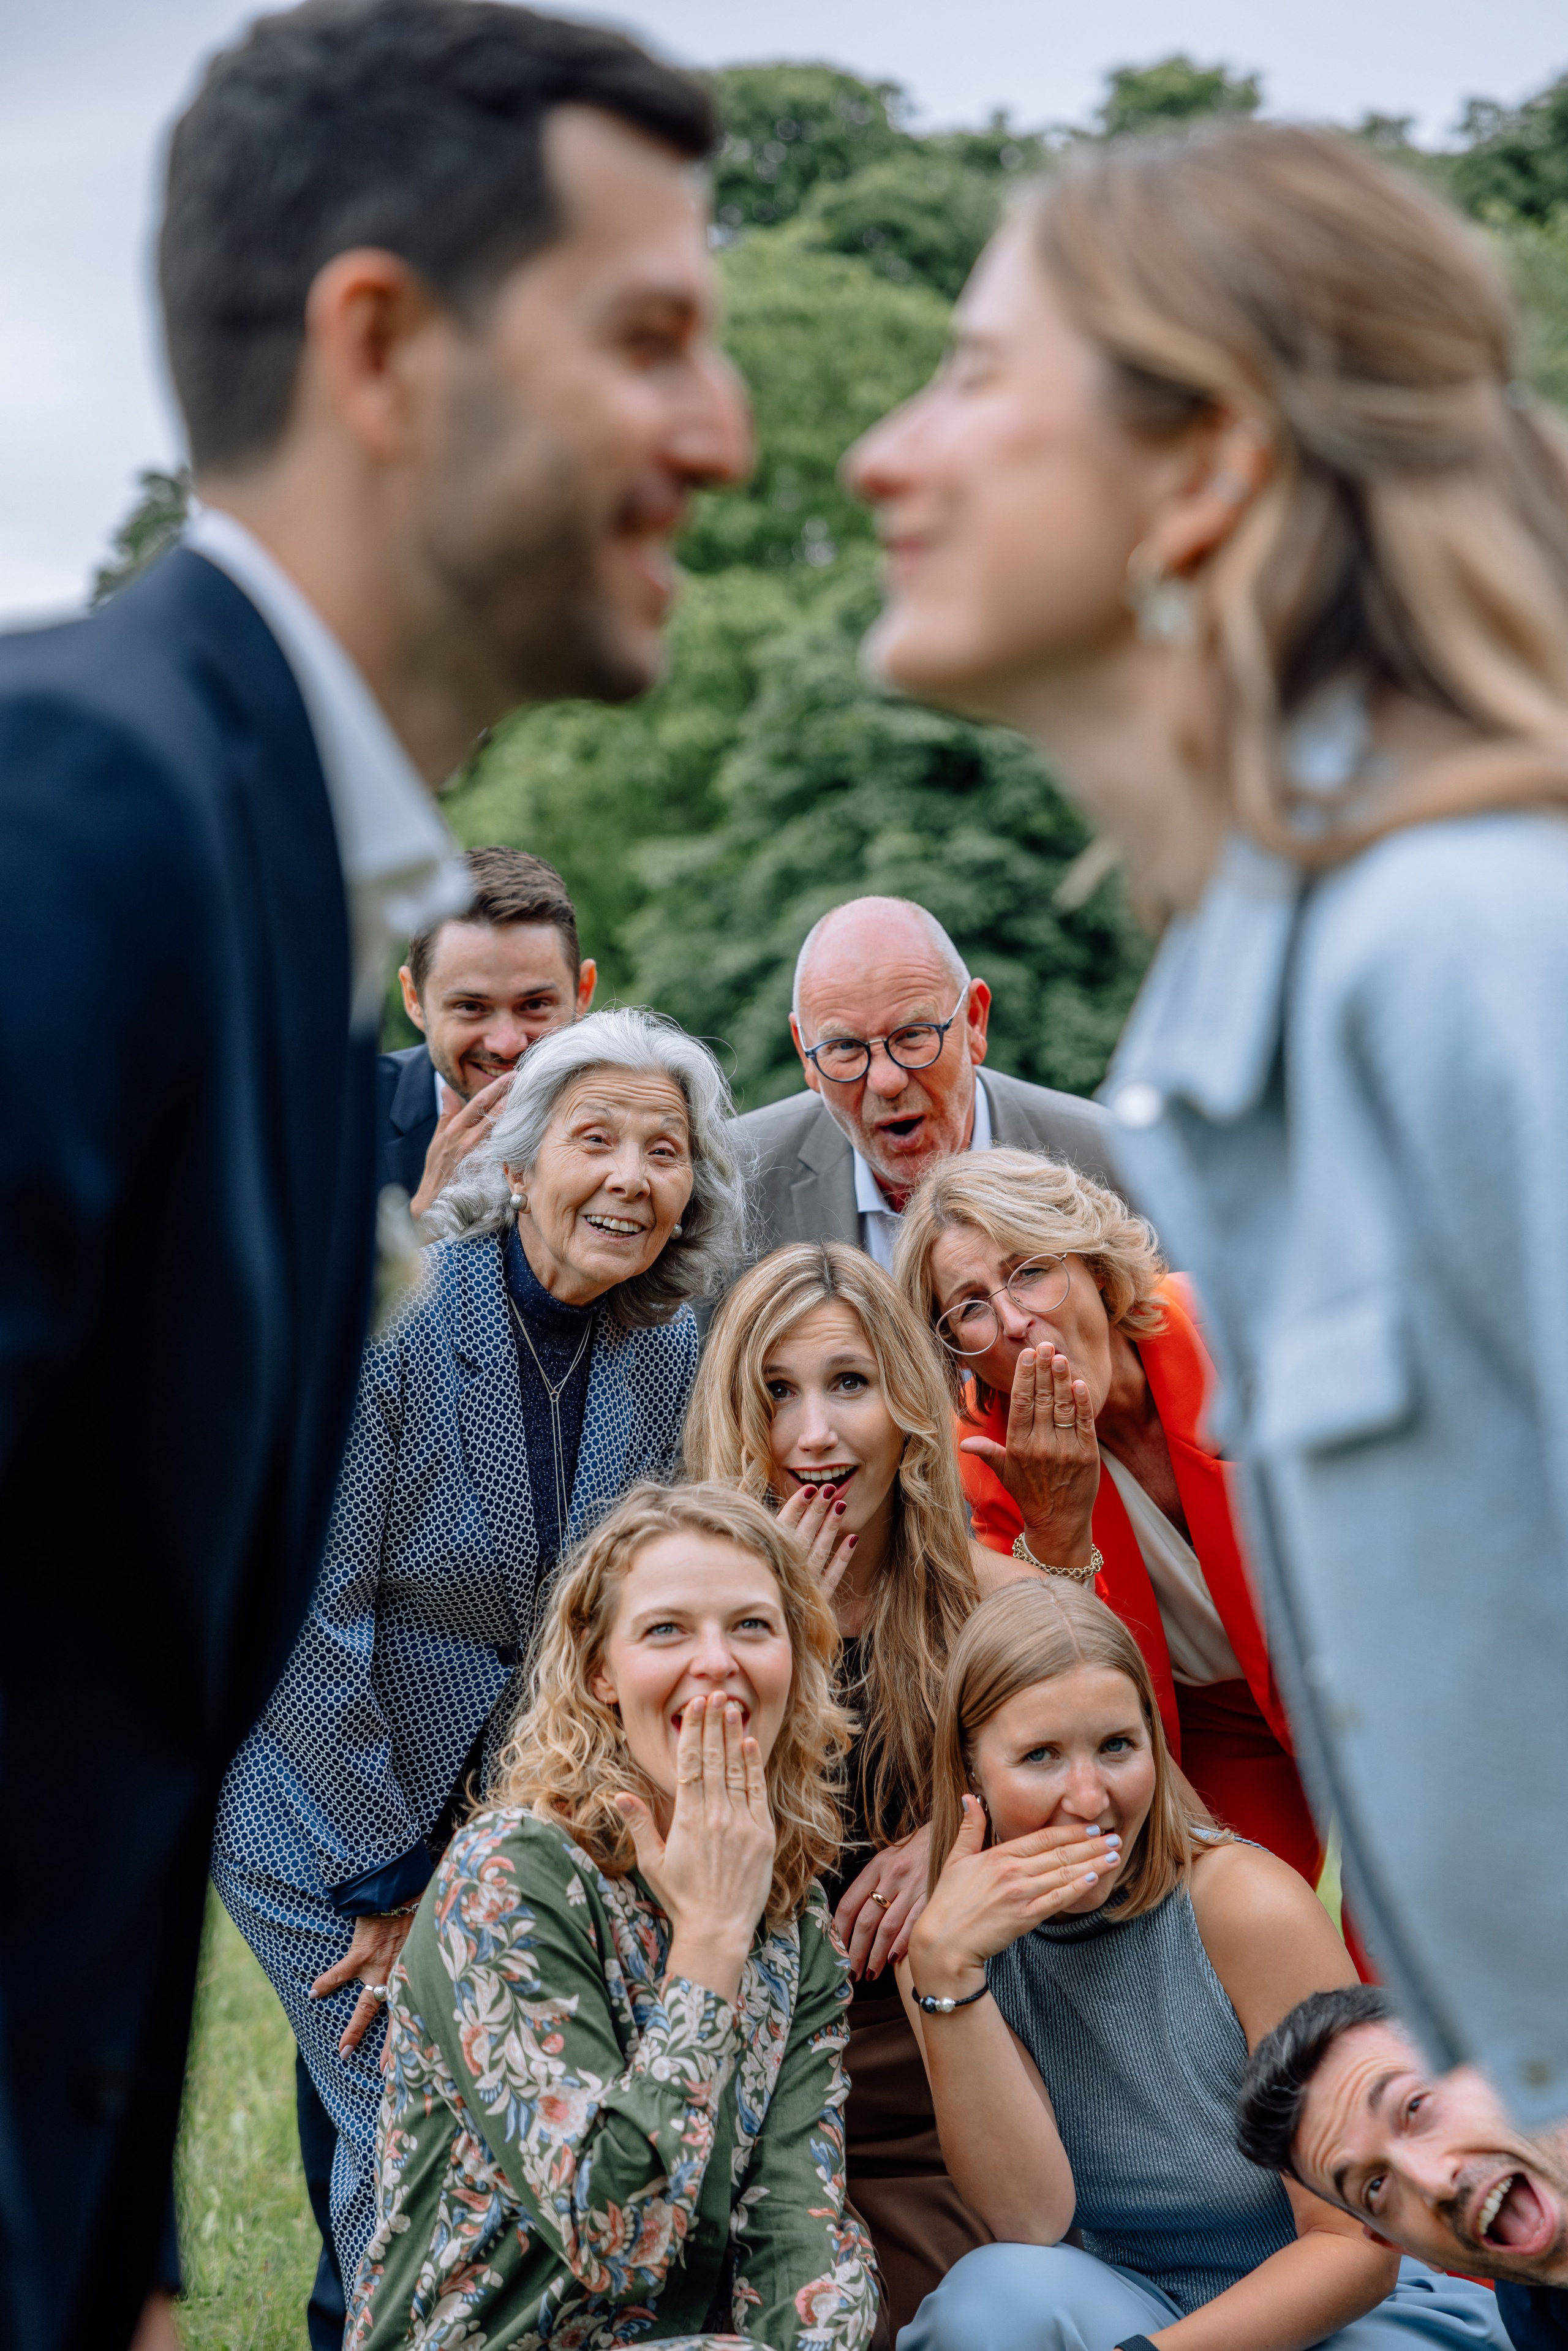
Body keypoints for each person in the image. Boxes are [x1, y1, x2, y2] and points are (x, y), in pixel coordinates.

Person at [4, 2, 750, 2343]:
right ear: (379, 341)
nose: (721, 436)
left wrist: (107, 2245)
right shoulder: (69, 814)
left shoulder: (318, 988)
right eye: (650, 340)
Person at [845, 118, 1568, 2123]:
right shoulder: (1259, 1000)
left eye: (980, 375)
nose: (873, 455)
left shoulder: (1473, 951)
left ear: (1213, 466)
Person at [211, 1008, 744, 2321]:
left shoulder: (666, 1343)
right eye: (596, 1137)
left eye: (663, 1148)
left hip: (520, 1810)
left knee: (526, 2120)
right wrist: (387, 1874)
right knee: (412, 2110)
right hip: (318, 1790)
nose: (630, 1173)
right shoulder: (395, 1317)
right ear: (516, 1163)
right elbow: (310, 1609)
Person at [897, 1579, 1510, 2351]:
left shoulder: (1244, 1906)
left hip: (1339, 2311)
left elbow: (1358, 2246)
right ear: (971, 1768)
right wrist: (948, 1970)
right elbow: (1029, 2223)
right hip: (1131, 2300)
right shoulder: (942, 1944)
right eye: (1040, 1756)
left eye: (1116, 1745)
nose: (1088, 1798)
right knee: (991, 2298)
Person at [345, 1478, 878, 2349]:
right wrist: (709, 1939)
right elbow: (612, 2235)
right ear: (602, 1673)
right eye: (666, 1629)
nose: (716, 1661)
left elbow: (802, 2232)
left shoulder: (793, 1923)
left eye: (752, 1625)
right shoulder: (511, 1875)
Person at [686, 1242, 1012, 2329]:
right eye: (776, 1393)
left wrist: (961, 1829)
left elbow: (1117, 1803)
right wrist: (780, 1641)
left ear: (908, 1403)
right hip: (746, 2066)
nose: (813, 1435)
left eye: (849, 1384)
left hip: (934, 2063)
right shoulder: (681, 1615)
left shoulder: (984, 1595)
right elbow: (685, 1863)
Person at [895, 1148, 1320, 1882]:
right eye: (969, 1307)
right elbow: (1061, 1665)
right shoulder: (985, 1457)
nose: (1015, 1321)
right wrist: (1056, 1520)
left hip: (1361, 1661)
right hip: (1217, 1721)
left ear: (1092, 1264)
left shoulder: (1232, 1325)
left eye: (1029, 1270)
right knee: (1223, 1923)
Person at [729, 896, 1118, 1272]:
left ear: (975, 1021)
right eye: (845, 1047)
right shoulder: (732, 1182)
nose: (886, 1081)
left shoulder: (1116, 1158)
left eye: (914, 1035)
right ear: (805, 1052)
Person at [1237, 1987, 1568, 2351]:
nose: (1433, 2182)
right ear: (1400, 2245)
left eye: (1414, 2108)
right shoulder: (1536, 2321)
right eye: (1376, 2187)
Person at [380, 844, 597, 1215]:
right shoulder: (328, 1119)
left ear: (582, 992)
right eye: (471, 1008)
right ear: (414, 999)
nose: (508, 1044)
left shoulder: (641, 1113)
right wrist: (424, 1214)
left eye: (534, 1005)